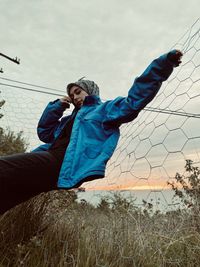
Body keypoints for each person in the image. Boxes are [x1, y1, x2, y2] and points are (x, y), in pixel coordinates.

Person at [0, 49, 183, 214]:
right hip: (50, 162)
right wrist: (57, 107)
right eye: (72, 95)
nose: (75, 97)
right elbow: (45, 133)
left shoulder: (103, 111)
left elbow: (132, 101)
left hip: (62, 163)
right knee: (7, 196)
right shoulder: (68, 121)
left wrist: (162, 65)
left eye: (78, 92)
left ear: (90, 91)